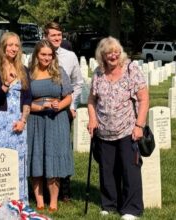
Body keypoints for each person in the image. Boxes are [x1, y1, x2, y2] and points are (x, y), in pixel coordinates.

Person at [87, 36, 149, 220]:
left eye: (116, 52)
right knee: (107, 169)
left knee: (130, 169)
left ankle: (132, 208)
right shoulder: (98, 73)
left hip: (127, 128)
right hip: (104, 130)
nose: (113, 56)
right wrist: (92, 119)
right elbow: (92, 99)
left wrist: (139, 125)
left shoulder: (131, 69)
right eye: (108, 53)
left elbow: (144, 99)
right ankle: (109, 204)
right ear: (102, 56)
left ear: (120, 53)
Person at [27, 40, 74, 212]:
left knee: (54, 158)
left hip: (57, 119)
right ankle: (39, 200)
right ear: (36, 55)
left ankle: (53, 200)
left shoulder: (59, 72)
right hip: (35, 121)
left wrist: (60, 106)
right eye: (43, 54)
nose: (47, 58)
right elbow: (24, 101)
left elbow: (68, 96)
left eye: (49, 55)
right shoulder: (29, 73)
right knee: (37, 158)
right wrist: (39, 107)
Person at [0, 32, 31, 203]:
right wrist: (6, 84)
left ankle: (19, 200)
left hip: (18, 122)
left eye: (16, 45)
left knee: (18, 161)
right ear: (3, 46)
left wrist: (23, 120)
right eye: (10, 45)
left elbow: (27, 99)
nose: (13, 48)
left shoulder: (23, 69)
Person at [43, 21, 84, 202]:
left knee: (63, 150)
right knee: (44, 148)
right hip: (42, 112)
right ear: (46, 36)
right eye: (53, 35)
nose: (57, 38)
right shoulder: (38, 55)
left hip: (64, 111)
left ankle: (64, 190)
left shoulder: (70, 56)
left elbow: (78, 83)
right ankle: (45, 190)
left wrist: (71, 106)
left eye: (59, 35)